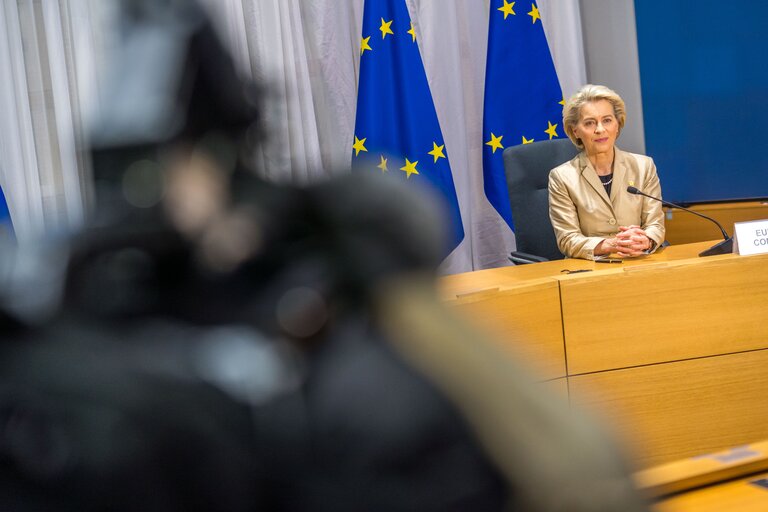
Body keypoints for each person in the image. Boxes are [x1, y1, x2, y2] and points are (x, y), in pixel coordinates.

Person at [548, 84, 665, 260]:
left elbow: (655, 225)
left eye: (607, 120)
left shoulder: (643, 166)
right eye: (589, 123)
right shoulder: (562, 177)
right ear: (575, 130)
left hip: (638, 262)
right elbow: (567, 239)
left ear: (618, 124)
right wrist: (610, 245)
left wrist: (646, 240)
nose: (600, 129)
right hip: (590, 270)